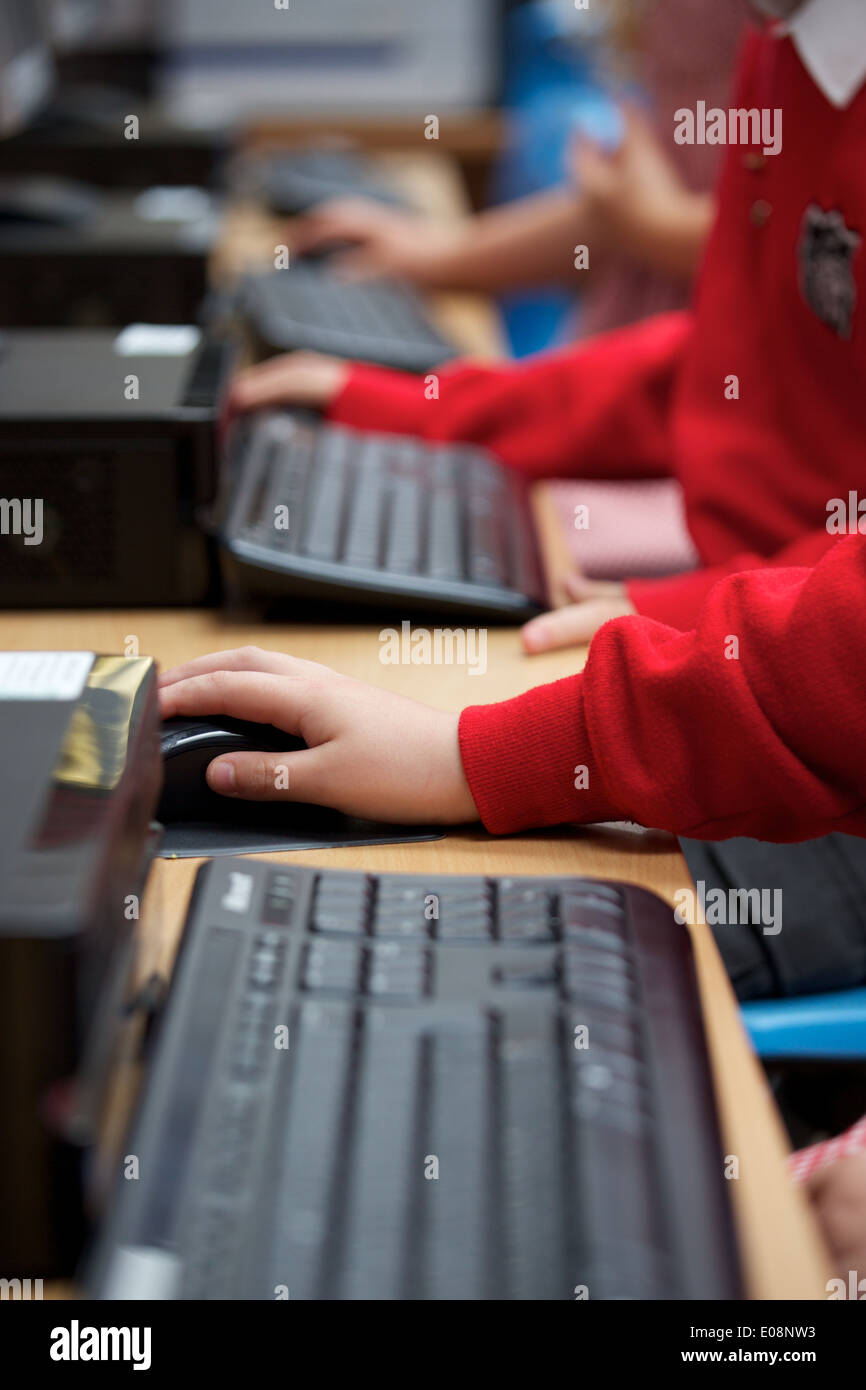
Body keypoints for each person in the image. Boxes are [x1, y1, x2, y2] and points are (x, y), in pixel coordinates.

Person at [231, 1, 866, 655]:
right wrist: (419, 407)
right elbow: (730, 363)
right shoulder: (786, 40)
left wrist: (682, 607)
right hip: (761, 611)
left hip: (787, 636)